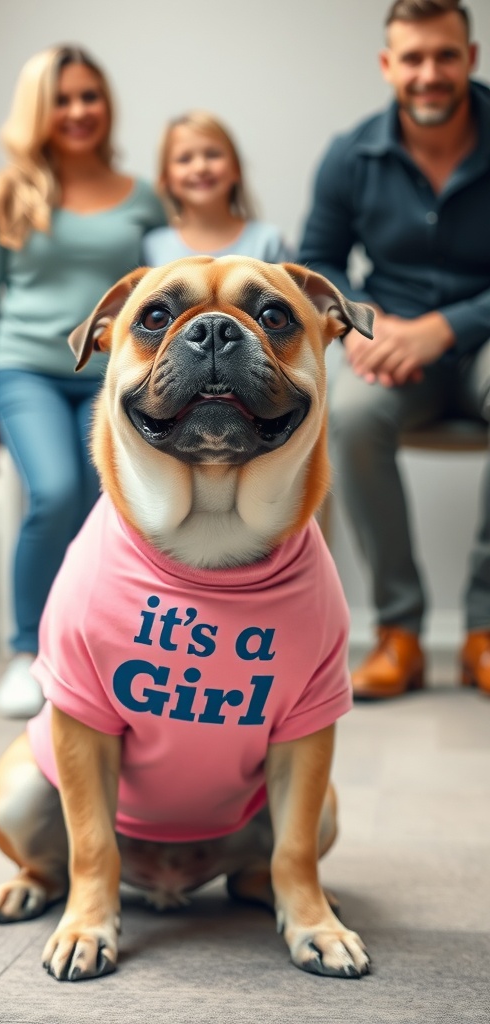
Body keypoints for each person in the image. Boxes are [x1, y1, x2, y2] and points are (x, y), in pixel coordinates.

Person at [0, 45, 166, 718]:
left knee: (107, 500)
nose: (79, 111)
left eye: (90, 96)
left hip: (110, 380)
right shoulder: (4, 193)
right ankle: (28, 652)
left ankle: (90, 649)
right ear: (38, 111)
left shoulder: (143, 199)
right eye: (63, 99)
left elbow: (167, 291)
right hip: (26, 371)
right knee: (52, 492)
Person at [297, 0, 490, 699]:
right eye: (413, 58)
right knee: (348, 416)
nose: (429, 73)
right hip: (390, 346)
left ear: (470, 58)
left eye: (444, 55)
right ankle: (400, 632)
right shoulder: (350, 154)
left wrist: (447, 327)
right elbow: (315, 265)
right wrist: (364, 321)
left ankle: (485, 630)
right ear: (389, 66)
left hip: (482, 340)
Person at [142, 110, 290, 265]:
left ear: (236, 168)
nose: (201, 168)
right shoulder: (152, 248)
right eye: (184, 159)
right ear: (165, 178)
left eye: (212, 154)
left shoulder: (268, 242)